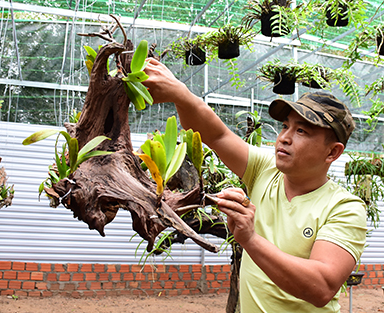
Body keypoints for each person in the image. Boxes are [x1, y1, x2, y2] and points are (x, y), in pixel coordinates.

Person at [143, 58, 367, 312]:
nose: (284, 138)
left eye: (301, 131)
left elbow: (321, 286)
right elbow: (216, 134)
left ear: (332, 152)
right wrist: (182, 95)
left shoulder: (344, 208)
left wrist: (249, 238)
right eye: (285, 126)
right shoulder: (265, 170)